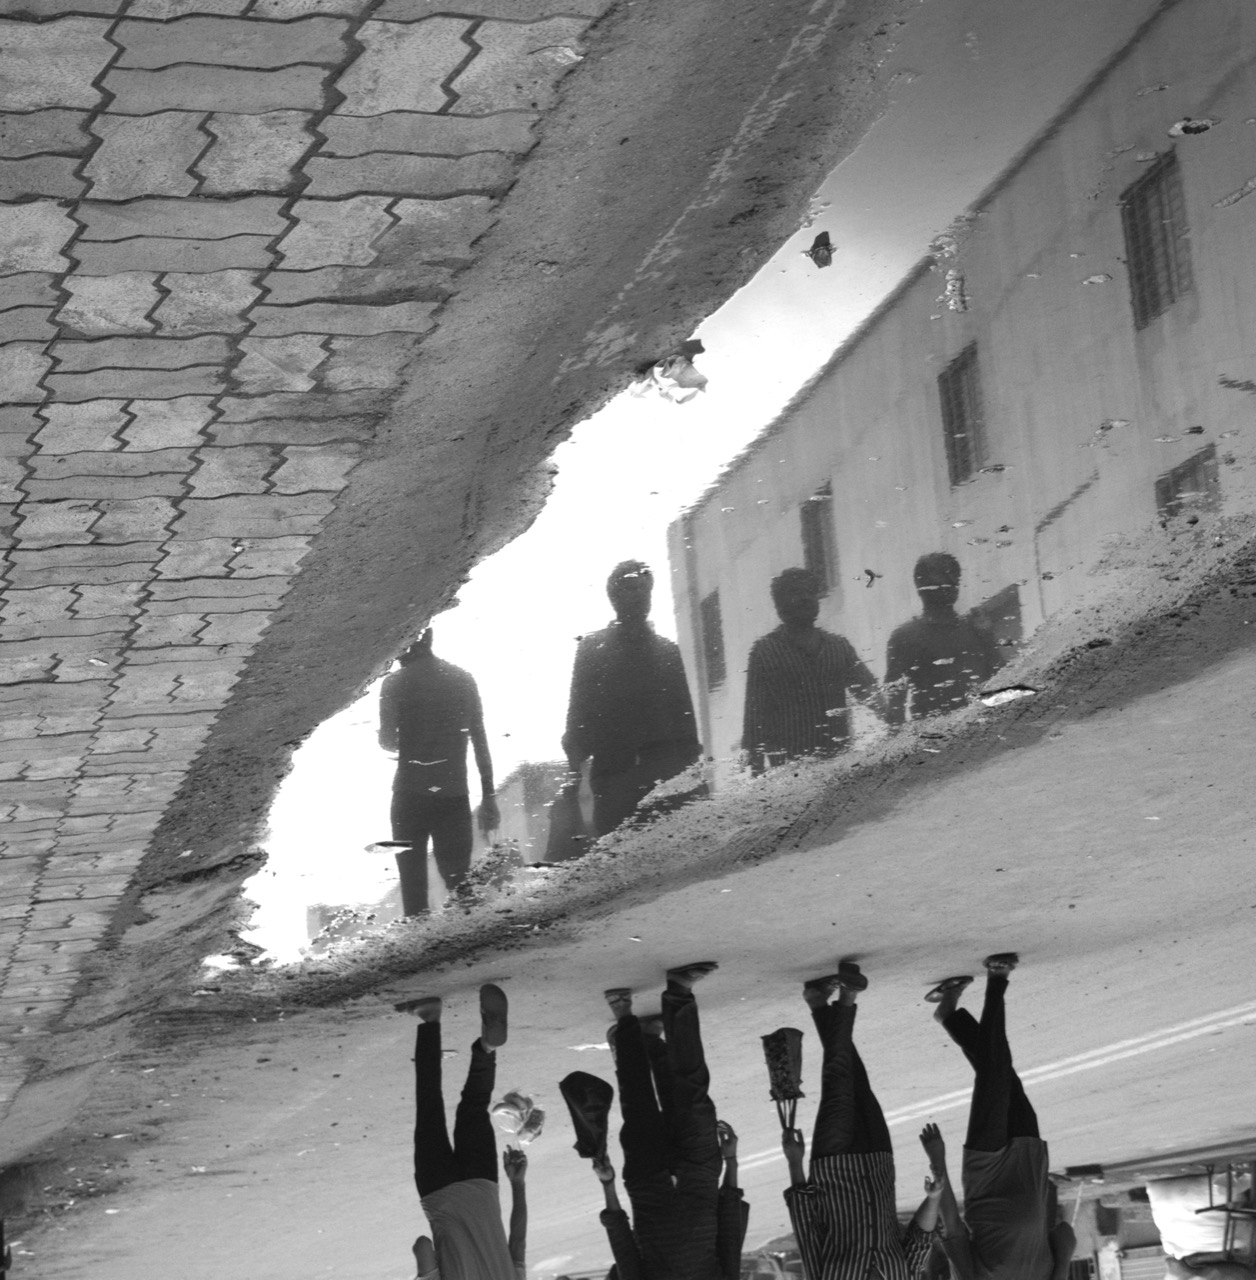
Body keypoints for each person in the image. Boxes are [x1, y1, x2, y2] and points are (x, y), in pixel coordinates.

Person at [560, 962, 749, 1280]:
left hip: (648, 1187)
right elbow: (729, 1232)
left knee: (638, 1101)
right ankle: (679, 992)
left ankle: (626, 1021)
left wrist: (607, 1184)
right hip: (701, 1179)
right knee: (694, 1095)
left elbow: (622, 1244)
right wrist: (731, 1161)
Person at [780, 960, 943, 1280]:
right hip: (878, 1161)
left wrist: (794, 1162)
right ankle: (816, 1001)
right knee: (858, 1081)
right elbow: (921, 1239)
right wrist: (933, 1197)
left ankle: (847, 998)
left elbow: (806, 1223)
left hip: (833, 1163)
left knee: (839, 1084)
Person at [923, 955, 1076, 1280]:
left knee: (994, 1076)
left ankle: (997, 981)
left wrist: (938, 1158)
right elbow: (1064, 1234)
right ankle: (948, 1014)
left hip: (986, 1173)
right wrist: (1060, 1269)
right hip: (1029, 1167)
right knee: (1003, 1077)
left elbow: (953, 1226)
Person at [561, 561, 702, 837]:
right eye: (629, 589)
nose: (638, 596)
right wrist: (575, 776)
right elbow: (578, 716)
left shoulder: (668, 652)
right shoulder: (592, 650)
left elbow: (685, 722)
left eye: (643, 589)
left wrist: (694, 780)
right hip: (614, 782)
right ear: (613, 597)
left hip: (666, 780)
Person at [402, 984, 527, 1280]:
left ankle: (487, 1048)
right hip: (439, 1193)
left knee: (474, 1105)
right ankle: (430, 1018)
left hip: (484, 1187)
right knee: (428, 1103)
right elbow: (422, 1246)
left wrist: (518, 1184)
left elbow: (518, 1243)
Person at [379, 629, 499, 915]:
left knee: (413, 887)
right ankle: (470, 944)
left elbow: (387, 740)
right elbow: (480, 741)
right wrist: (489, 796)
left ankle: (420, 951)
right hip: (453, 794)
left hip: (409, 794)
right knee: (460, 884)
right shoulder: (462, 678)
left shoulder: (394, 684)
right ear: (430, 639)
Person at [742, 568, 879, 773]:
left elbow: (869, 693)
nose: (805, 598)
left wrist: (894, 720)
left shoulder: (838, 647)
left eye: (810, 592)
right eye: (796, 593)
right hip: (792, 773)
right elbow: (755, 721)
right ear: (780, 606)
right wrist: (757, 774)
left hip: (840, 767)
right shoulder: (764, 652)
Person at [884, 553, 998, 725]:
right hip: (939, 734)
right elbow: (895, 708)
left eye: (952, 581)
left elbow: (1002, 678)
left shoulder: (975, 627)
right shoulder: (905, 637)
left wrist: (988, 638)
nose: (948, 587)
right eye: (939, 584)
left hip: (979, 727)